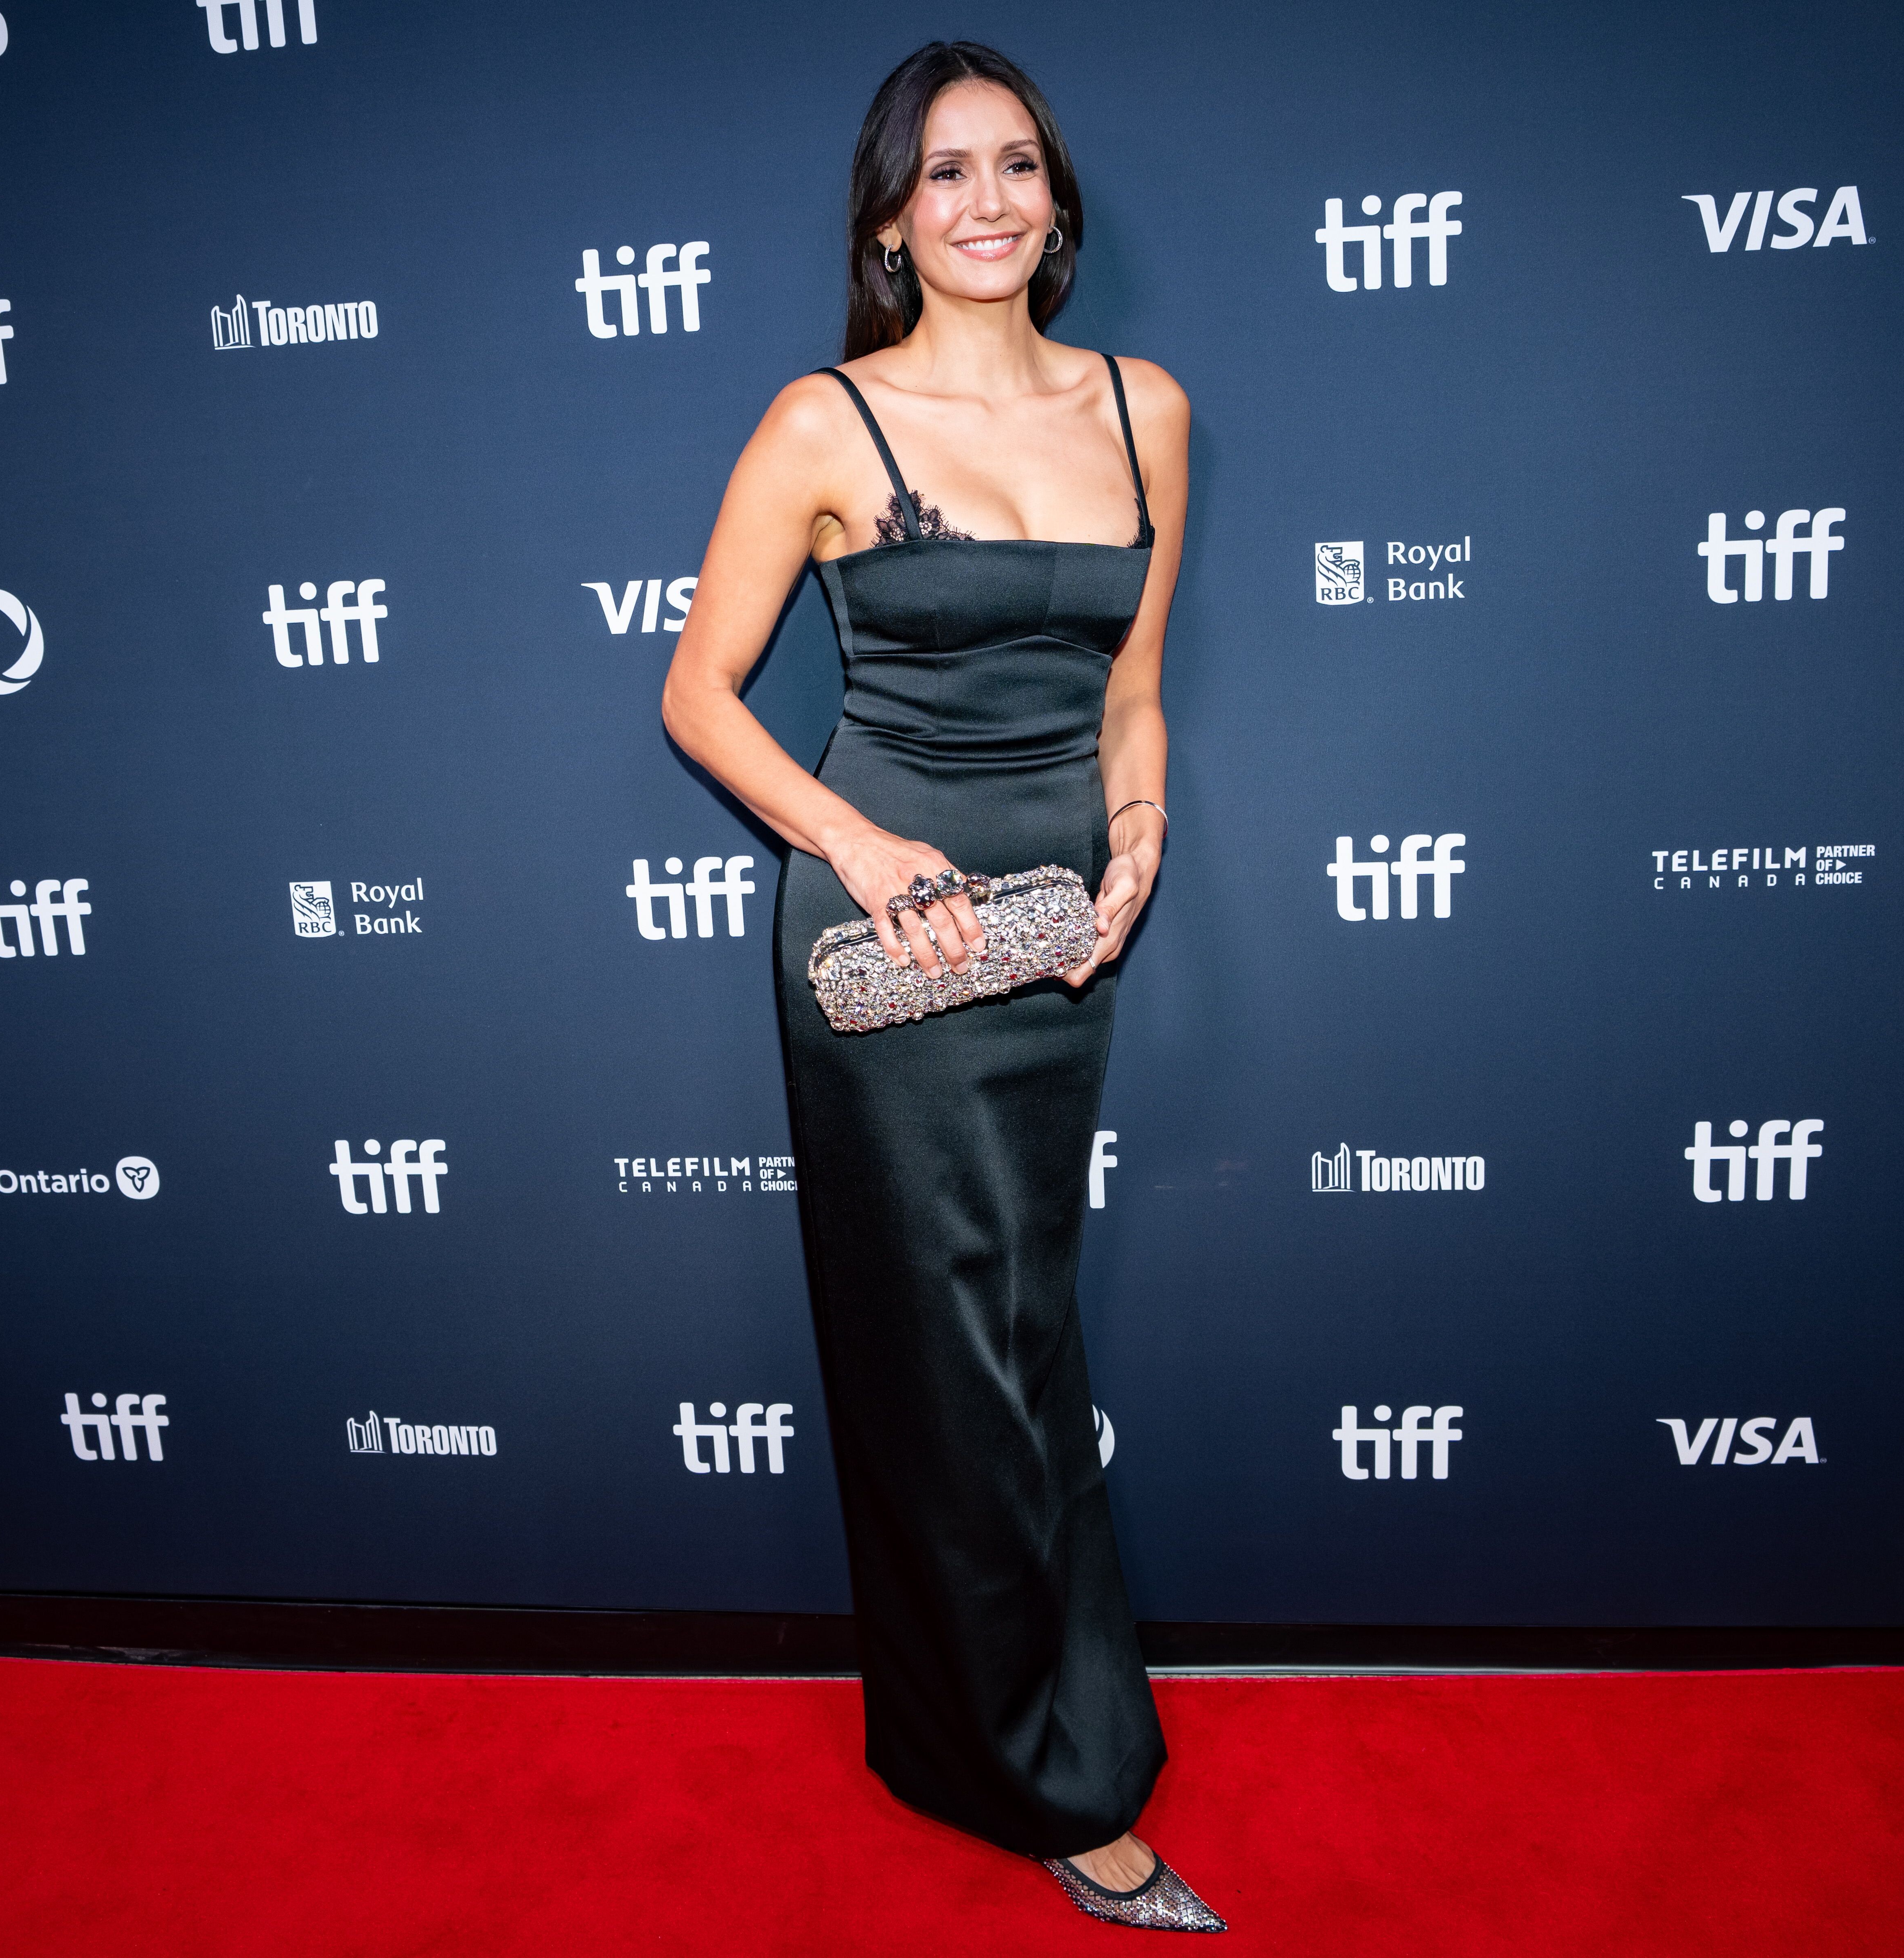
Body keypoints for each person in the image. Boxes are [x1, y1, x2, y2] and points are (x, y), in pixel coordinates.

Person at [659, 39, 1215, 1936]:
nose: (988, 201)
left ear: (1058, 199)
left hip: (1058, 933)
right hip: (887, 935)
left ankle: (982, 1726)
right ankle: (1046, 1776)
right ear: (892, 220)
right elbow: (697, 694)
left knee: (1025, 1340)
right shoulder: (826, 423)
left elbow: (1131, 693)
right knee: (945, 1354)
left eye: (1017, 164)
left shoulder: (1146, 408)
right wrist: (861, 844)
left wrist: (1137, 836)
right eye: (946, 172)